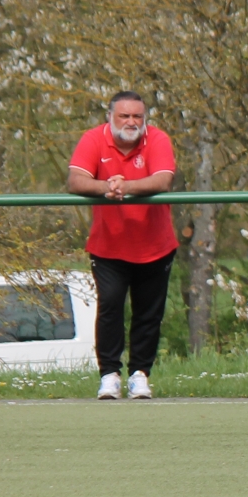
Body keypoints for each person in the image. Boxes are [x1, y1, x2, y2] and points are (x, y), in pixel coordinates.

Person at [67, 92, 177, 400]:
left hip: (156, 245)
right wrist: (105, 187)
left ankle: (140, 375)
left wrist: (125, 187)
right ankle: (109, 375)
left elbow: (162, 180)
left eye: (137, 117)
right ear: (110, 117)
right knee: (111, 306)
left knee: (148, 313)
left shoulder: (156, 139)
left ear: (145, 119)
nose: (131, 122)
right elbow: (76, 180)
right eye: (124, 116)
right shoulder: (93, 139)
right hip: (108, 247)